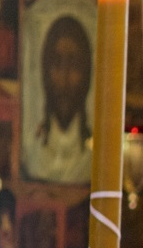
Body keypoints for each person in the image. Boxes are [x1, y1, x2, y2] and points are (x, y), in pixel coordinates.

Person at [23, 15, 93, 184]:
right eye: (57, 63)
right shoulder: (31, 148)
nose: (64, 77)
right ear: (45, 71)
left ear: (86, 74)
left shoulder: (94, 154)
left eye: (73, 64)